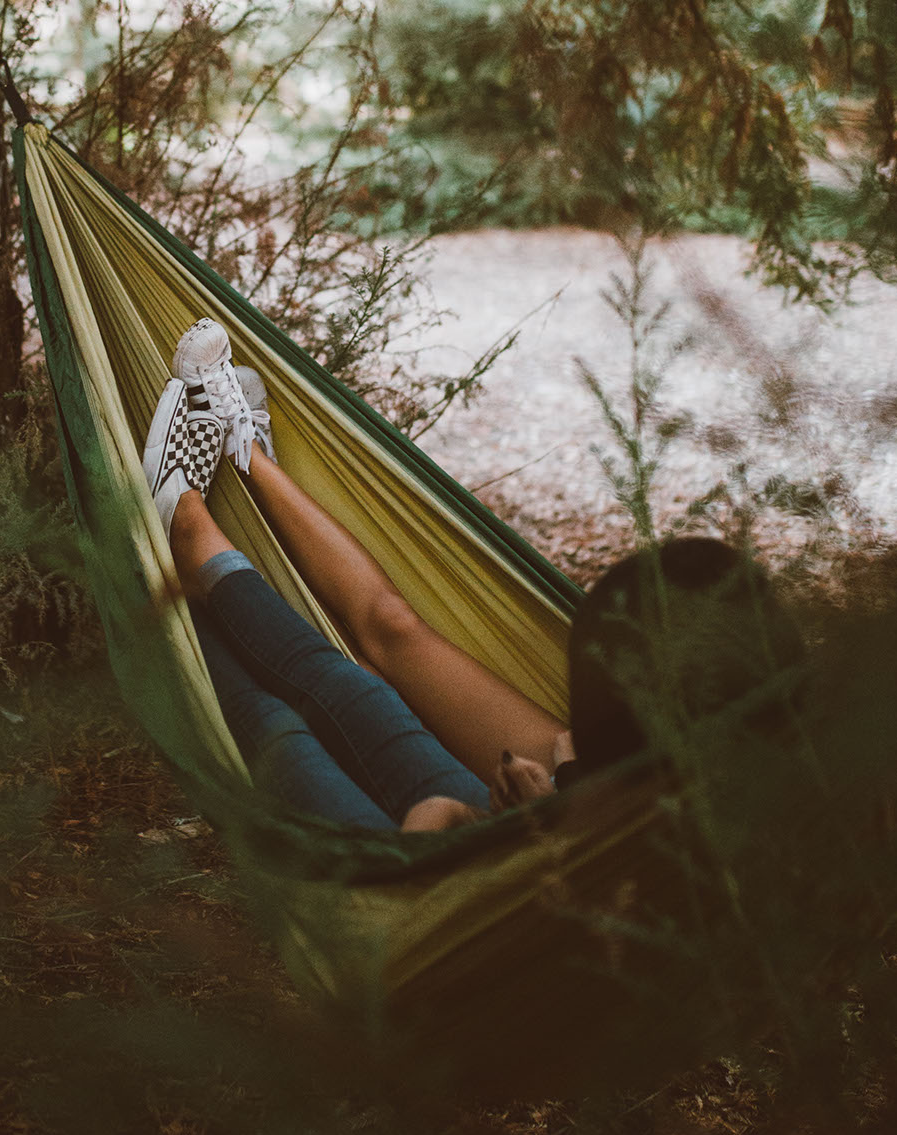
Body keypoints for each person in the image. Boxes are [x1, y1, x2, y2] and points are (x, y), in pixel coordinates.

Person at [142, 318, 805, 834]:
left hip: (442, 876)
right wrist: (555, 795)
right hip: (575, 808)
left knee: (282, 725)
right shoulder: (775, 784)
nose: (568, 723)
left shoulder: (692, 882)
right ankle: (249, 460)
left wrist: (466, 823)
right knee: (388, 637)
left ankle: (184, 540)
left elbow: (447, 870)